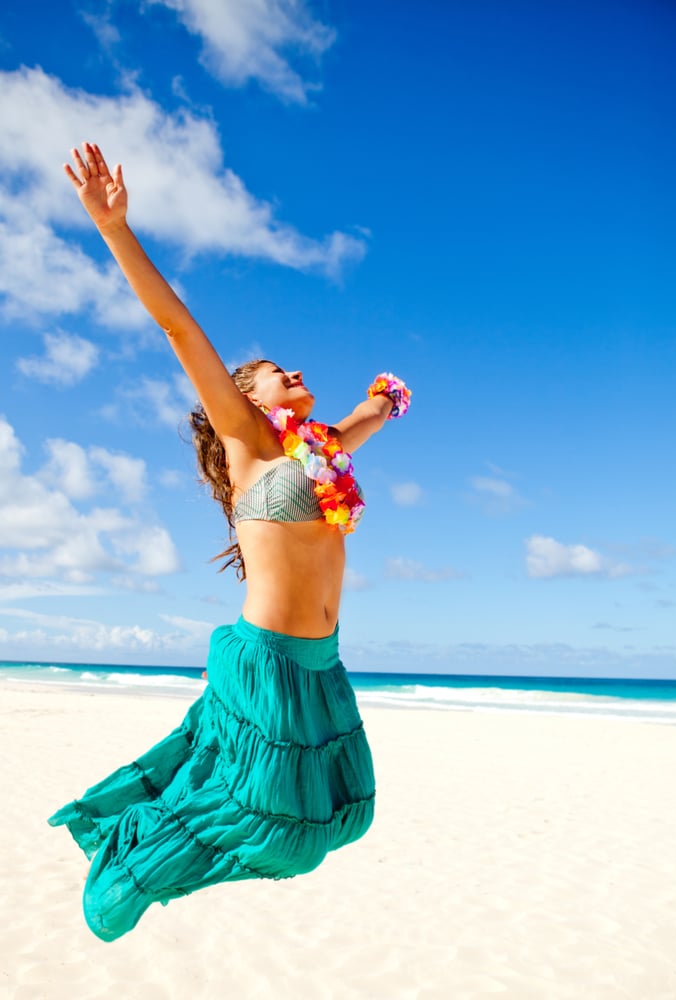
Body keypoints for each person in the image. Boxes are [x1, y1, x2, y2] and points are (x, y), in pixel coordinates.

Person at [48, 142, 411, 942]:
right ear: (242, 398)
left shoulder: (317, 455)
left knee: (338, 823)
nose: (292, 372)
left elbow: (366, 415)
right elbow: (177, 327)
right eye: (276, 371)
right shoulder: (247, 441)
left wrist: (390, 396)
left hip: (322, 664)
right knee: (271, 814)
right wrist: (113, 227)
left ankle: (153, 841)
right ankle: (130, 861)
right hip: (266, 657)